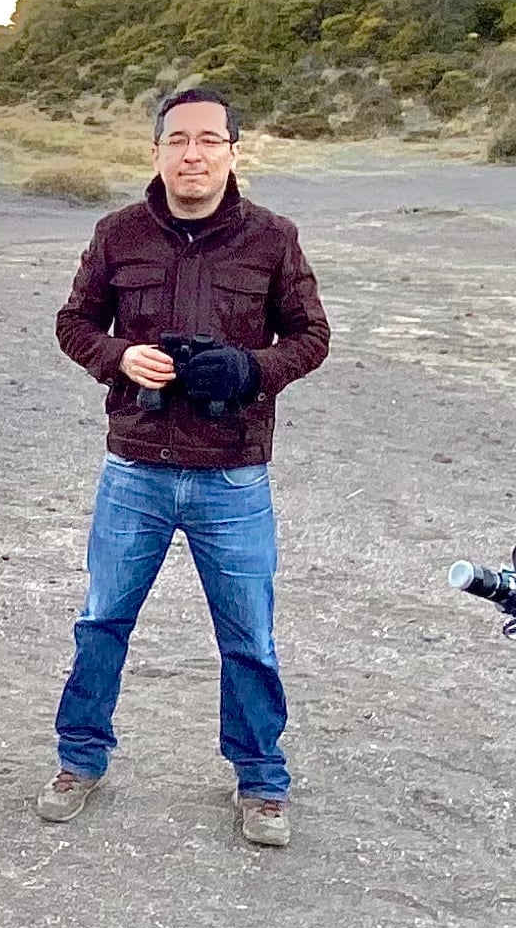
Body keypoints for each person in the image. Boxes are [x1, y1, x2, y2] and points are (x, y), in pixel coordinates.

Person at [43, 85, 330, 847]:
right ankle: (80, 759)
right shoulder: (118, 234)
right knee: (103, 621)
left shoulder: (273, 239)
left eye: (209, 140)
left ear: (234, 150)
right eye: (178, 140)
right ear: (158, 151)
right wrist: (117, 356)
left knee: (248, 636)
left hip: (232, 475)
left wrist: (250, 371)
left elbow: (310, 336)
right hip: (133, 470)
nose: (193, 154)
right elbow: (74, 322)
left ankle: (261, 780)